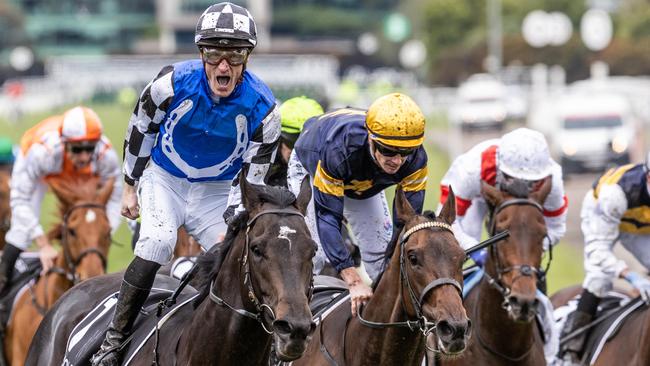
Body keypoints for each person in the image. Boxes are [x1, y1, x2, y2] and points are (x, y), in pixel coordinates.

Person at [91, 3, 281, 365]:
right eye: (214, 53)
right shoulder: (171, 84)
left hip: (216, 192)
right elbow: (138, 129)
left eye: (235, 54)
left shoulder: (265, 107)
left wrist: (235, 225)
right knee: (158, 242)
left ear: (247, 58)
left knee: (244, 260)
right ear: (200, 54)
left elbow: (251, 182)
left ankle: (267, 349)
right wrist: (130, 185)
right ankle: (115, 339)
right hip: (165, 180)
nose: (223, 65)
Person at [287, 92, 429, 316]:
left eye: (406, 152)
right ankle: (295, 323)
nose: (397, 161)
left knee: (381, 255)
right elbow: (327, 218)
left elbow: (407, 223)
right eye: (388, 150)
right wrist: (353, 280)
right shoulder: (339, 149)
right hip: (313, 168)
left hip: (362, 181)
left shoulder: (417, 159)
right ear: (371, 139)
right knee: (315, 254)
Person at [0, 106, 122, 292]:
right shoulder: (42, 154)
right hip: (42, 170)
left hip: (70, 168)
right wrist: (44, 245)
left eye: (90, 149)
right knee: (22, 232)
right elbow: (20, 201)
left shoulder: (106, 155)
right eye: (78, 149)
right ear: (64, 143)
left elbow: (116, 198)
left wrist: (103, 230)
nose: (84, 156)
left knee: (91, 230)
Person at [558, 152, 650, 363]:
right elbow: (598, 250)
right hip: (602, 213)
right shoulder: (615, 194)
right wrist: (630, 276)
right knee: (600, 277)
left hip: (640, 224)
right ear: (648, 178)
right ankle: (573, 345)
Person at [439, 127, 567, 263]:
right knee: (468, 237)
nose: (522, 187)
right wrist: (476, 251)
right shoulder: (472, 168)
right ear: (500, 166)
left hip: (502, 192)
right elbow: (446, 222)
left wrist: (534, 249)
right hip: (477, 196)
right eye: (513, 178)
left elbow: (556, 228)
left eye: (531, 182)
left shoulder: (553, 179)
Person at [267, 96, 324, 187]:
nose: (296, 153)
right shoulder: (263, 158)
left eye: (308, 145)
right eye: (292, 143)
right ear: (278, 139)